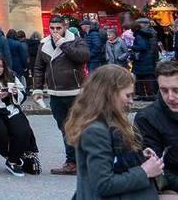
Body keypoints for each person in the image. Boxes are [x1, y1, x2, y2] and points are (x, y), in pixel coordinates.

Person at [66, 64, 163, 200]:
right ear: (109, 94)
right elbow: (104, 184)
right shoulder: (95, 131)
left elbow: (115, 160)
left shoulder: (108, 123)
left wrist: (138, 156)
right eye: (128, 95)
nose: (131, 101)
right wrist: (144, 171)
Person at [32, 14, 90, 175]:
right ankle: (72, 162)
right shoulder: (43, 44)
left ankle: (82, 161)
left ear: (64, 27)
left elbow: (83, 57)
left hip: (75, 92)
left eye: (58, 28)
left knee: (77, 127)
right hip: (55, 93)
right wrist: (37, 89)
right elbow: (38, 68)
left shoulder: (76, 40)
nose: (55, 31)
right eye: (52, 28)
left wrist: (63, 44)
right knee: (64, 128)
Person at [134, 60, 178, 193]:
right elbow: (158, 169)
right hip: (170, 185)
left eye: (176, 90)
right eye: (164, 90)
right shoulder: (147, 118)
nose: (170, 97)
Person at [131, 18, 159, 100]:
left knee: (143, 77)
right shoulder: (148, 33)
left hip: (143, 59)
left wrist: (132, 47)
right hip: (148, 58)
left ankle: (145, 95)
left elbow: (143, 47)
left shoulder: (140, 35)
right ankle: (148, 95)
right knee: (147, 77)